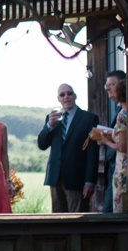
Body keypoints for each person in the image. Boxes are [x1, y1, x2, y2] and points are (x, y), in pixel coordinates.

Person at [37, 83, 99, 213]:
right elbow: (42, 145)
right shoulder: (52, 119)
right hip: (55, 177)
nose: (66, 97)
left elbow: (92, 153)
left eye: (69, 93)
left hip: (77, 179)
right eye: (62, 95)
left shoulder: (88, 119)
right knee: (58, 221)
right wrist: (49, 126)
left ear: (75, 96)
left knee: (77, 220)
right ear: (58, 99)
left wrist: (89, 181)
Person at [93, 78, 128, 209]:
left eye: (112, 86)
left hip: (124, 166)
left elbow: (122, 147)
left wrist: (105, 141)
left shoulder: (123, 115)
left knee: (120, 207)